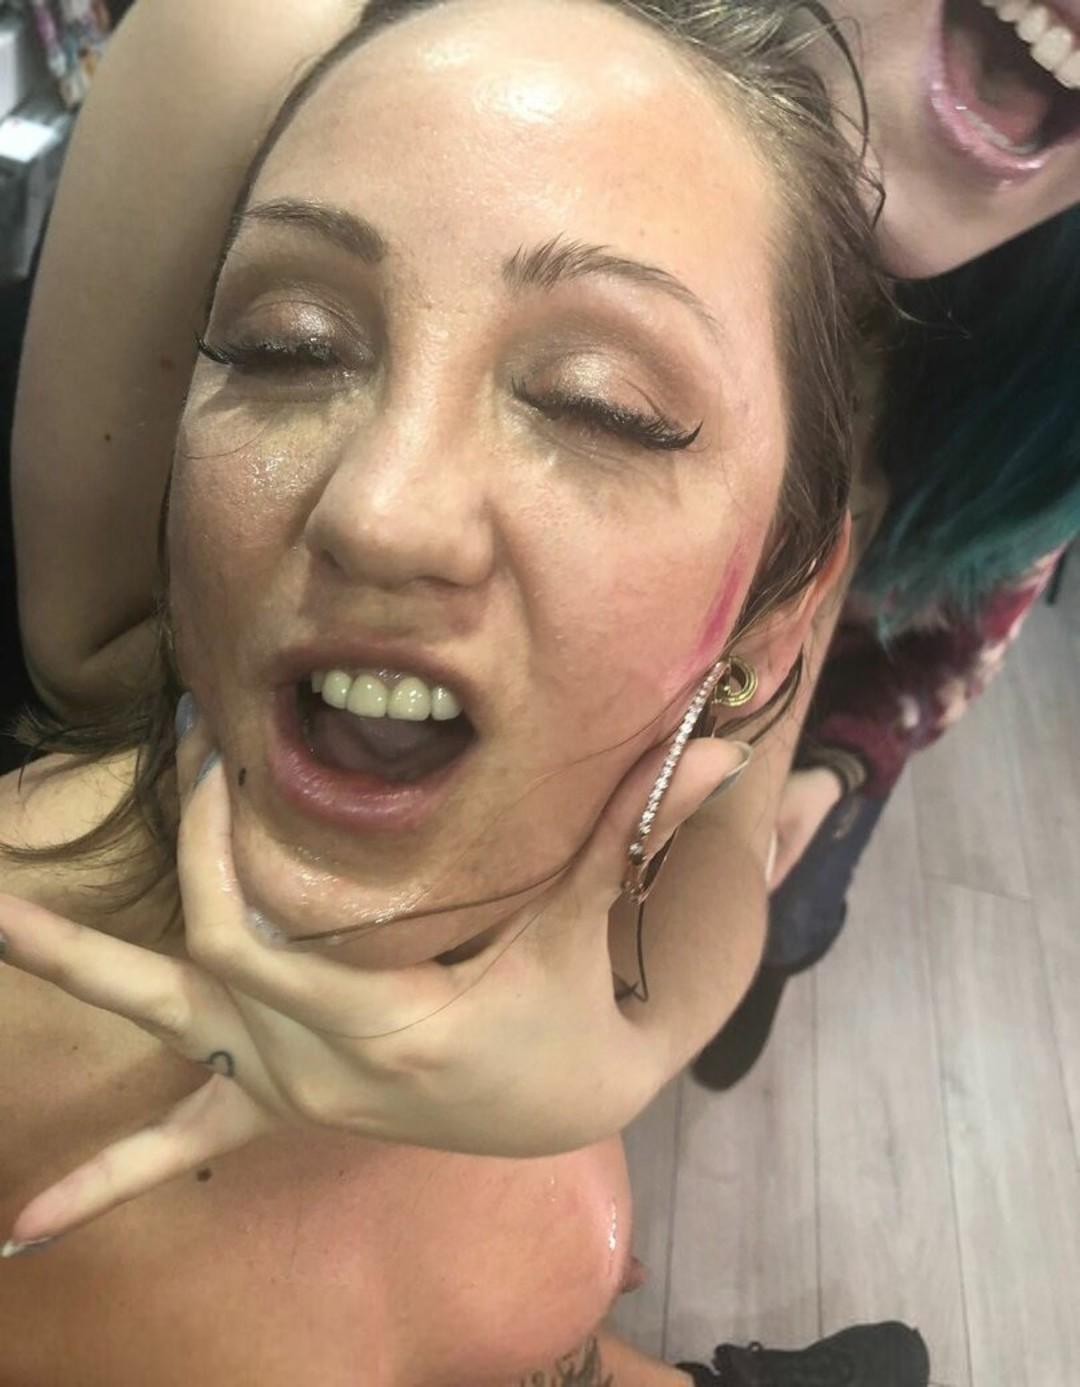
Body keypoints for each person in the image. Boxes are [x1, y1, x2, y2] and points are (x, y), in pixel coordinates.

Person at [0, 3, 936, 1385]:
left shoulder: (599, 916)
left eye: (600, 404)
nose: (380, 510)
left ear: (775, 616)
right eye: (288, 344)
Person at [692, 0, 1080, 1087]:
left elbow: (960, 641)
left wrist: (834, 768)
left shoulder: (1039, 392)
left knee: (789, 915)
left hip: (817, 729)